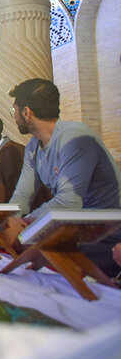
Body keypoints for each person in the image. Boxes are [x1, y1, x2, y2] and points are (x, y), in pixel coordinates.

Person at [8, 78, 121, 276]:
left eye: (15, 111)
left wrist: (27, 225)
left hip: (106, 233)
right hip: (72, 230)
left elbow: (68, 202)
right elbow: (22, 197)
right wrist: (7, 224)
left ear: (27, 112)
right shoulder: (33, 147)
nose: (14, 117)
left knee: (49, 267)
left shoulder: (75, 137)